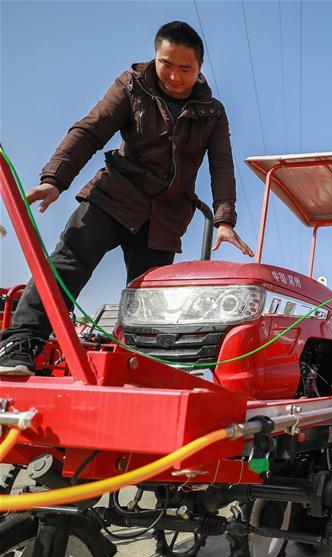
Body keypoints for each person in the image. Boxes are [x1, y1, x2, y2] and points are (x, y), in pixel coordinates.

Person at [0, 21, 253, 376]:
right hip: (115, 194)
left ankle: (141, 367)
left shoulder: (212, 112)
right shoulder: (132, 85)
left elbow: (221, 166)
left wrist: (225, 220)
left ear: (199, 69)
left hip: (164, 215)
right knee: (68, 262)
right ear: (155, 56)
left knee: (150, 299)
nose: (175, 76)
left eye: (186, 68)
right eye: (166, 64)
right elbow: (91, 129)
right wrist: (55, 179)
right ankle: (20, 343)